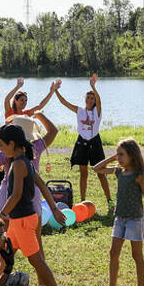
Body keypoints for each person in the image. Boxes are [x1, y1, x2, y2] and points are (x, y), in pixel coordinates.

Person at [0, 112, 58, 286]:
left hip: (13, 199)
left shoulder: (10, 155)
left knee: (2, 241)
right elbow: (53, 131)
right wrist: (41, 116)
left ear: (12, 141)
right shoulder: (34, 147)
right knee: (31, 244)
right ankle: (41, 283)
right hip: (32, 196)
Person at [0, 124, 72, 286]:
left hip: (22, 221)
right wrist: (53, 208)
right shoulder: (25, 161)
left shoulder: (19, 164)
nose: (1, 150)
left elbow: (16, 195)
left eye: (2, 146)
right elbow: (43, 186)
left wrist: (1, 215)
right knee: (5, 255)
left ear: (12, 143)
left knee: (37, 261)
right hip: (19, 220)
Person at [93, 138, 144, 286]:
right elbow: (96, 169)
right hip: (119, 219)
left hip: (135, 220)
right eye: (117, 154)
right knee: (113, 253)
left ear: (132, 155)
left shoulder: (139, 175)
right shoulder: (119, 171)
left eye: (121, 154)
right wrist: (112, 158)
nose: (118, 158)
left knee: (137, 255)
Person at [54, 74, 115, 211]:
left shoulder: (97, 111)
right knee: (83, 173)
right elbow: (64, 102)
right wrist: (55, 90)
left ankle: (110, 201)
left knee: (101, 172)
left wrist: (93, 86)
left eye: (92, 98)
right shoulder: (79, 110)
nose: (90, 99)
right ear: (84, 99)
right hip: (82, 143)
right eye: (88, 97)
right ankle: (82, 201)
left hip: (95, 143)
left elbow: (99, 101)